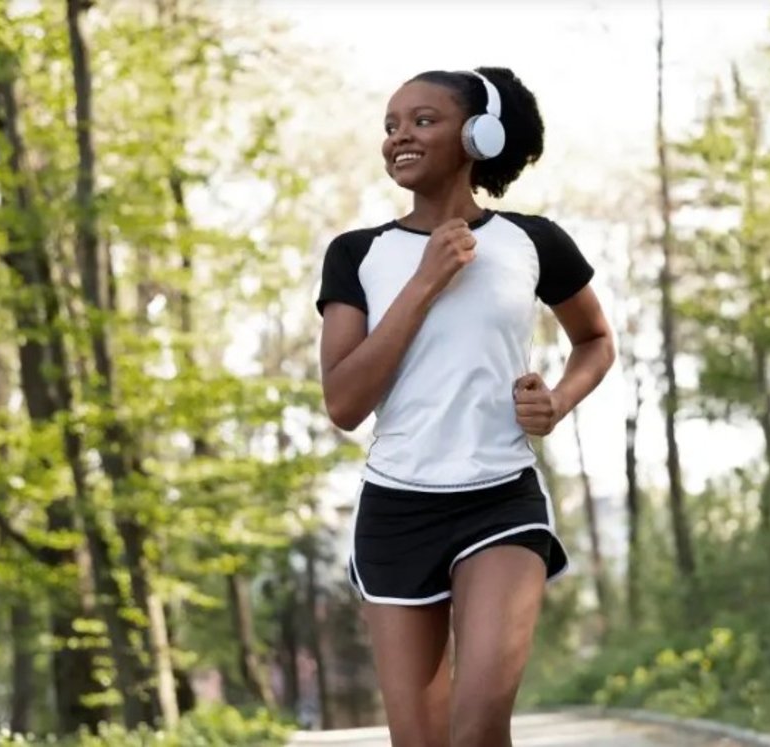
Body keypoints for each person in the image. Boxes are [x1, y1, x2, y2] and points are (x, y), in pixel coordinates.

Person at [316, 66, 615, 747]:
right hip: (395, 508)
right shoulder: (357, 254)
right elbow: (344, 400)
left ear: (478, 134)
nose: (400, 138)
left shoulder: (532, 241)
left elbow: (595, 339)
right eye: (391, 126)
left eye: (423, 120)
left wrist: (558, 400)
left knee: (479, 726)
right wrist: (425, 282)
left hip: (500, 498)